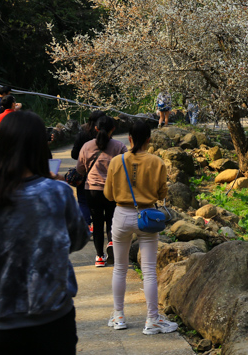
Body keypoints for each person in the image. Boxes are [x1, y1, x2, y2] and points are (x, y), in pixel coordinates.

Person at [0, 110, 89, 355]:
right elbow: (78, 239)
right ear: (39, 146)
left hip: (2, 317)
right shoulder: (58, 192)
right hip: (54, 316)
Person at [103, 120, 177, 335]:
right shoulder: (157, 162)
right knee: (149, 272)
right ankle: (152, 319)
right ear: (149, 139)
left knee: (119, 267)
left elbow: (108, 195)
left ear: (129, 138)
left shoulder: (117, 161)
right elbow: (162, 194)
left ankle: (118, 316)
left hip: (121, 215)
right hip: (147, 216)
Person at [76, 115, 126, 267]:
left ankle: (99, 257)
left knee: (97, 222)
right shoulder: (119, 146)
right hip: (112, 190)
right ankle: (112, 243)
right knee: (112, 220)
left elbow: (80, 169)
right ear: (113, 129)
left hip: (92, 190)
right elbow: (126, 168)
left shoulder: (87, 146)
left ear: (96, 129)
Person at [69, 111, 106, 230]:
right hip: (102, 174)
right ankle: (98, 225)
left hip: (84, 172)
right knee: (101, 203)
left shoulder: (82, 135)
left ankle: (86, 225)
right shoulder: (107, 137)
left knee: (83, 201)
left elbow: (74, 154)